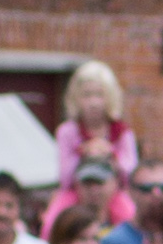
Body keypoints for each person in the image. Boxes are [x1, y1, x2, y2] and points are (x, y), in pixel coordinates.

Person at [51, 62, 138, 213]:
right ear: (76, 98)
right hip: (76, 195)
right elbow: (64, 179)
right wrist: (83, 153)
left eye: (99, 95)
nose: (93, 103)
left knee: (129, 215)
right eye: (87, 95)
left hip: (113, 195)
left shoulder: (122, 131)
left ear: (110, 97)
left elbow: (130, 176)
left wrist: (112, 155)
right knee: (55, 219)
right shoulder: (67, 131)